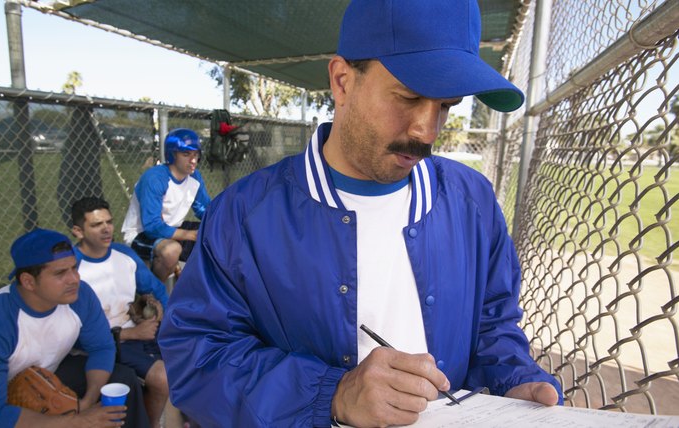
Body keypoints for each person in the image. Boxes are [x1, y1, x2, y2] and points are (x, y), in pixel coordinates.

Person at [157, 0, 564, 427]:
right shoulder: (243, 215)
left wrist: (514, 380)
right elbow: (196, 355)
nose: (428, 130)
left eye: (446, 106)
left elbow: (494, 323)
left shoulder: (471, 199)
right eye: (409, 97)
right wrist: (331, 394)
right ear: (342, 81)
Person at [0, 228, 149, 428]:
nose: (74, 279)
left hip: (46, 375)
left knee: (122, 380)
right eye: (60, 273)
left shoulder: (79, 296)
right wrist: (79, 422)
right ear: (29, 281)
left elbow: (101, 347)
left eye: (74, 268)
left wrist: (87, 401)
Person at [70, 196, 170, 428]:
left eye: (109, 222)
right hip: (105, 345)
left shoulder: (123, 254)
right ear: (78, 231)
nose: (106, 229)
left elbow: (156, 291)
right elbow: (71, 331)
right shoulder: (71, 269)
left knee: (193, 355)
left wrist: (159, 311)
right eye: (96, 225)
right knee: (163, 377)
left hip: (140, 330)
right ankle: (153, 424)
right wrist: (129, 335)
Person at [121, 128, 211, 282]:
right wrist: (190, 235)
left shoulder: (194, 177)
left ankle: (190, 292)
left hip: (173, 228)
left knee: (220, 236)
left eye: (196, 154)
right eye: (186, 154)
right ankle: (153, 296)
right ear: (172, 154)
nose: (193, 160)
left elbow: (206, 211)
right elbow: (152, 227)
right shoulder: (155, 178)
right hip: (141, 233)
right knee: (171, 250)